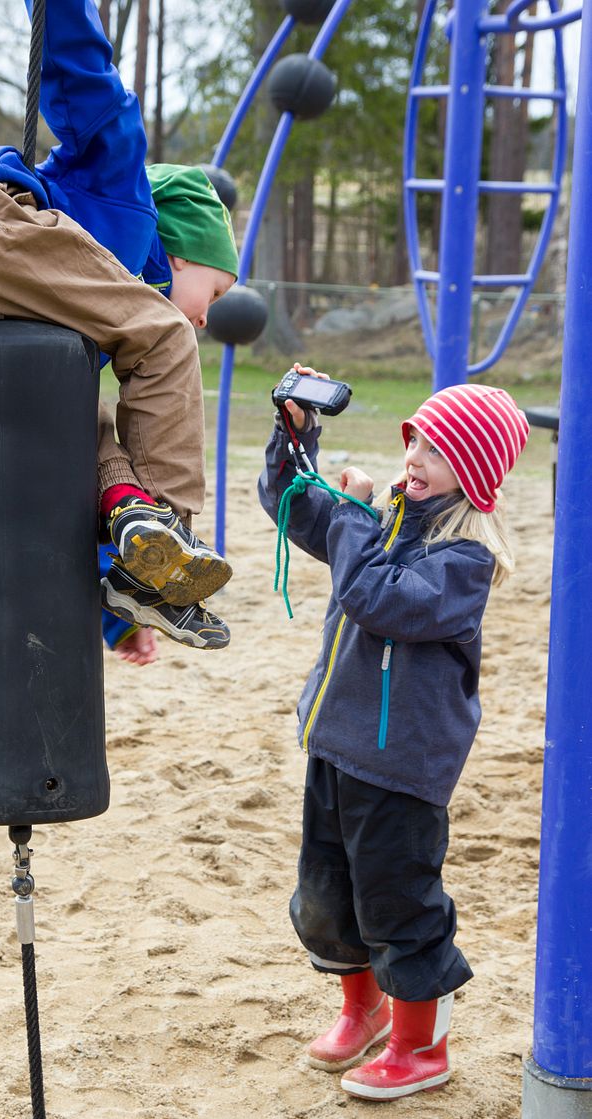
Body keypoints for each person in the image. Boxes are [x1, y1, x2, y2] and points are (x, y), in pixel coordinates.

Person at [0, 0, 236, 651]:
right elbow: (85, 80)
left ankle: (138, 578)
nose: (208, 314)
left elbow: (67, 455)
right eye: (216, 289)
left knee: (72, 411)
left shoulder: (72, 296)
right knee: (163, 334)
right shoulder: (122, 191)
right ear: (182, 247)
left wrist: (116, 626)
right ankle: (168, 557)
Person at [258, 372, 529, 1100]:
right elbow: (292, 506)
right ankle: (364, 1008)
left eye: (436, 449)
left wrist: (352, 518)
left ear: (471, 471)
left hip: (402, 766)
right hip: (336, 744)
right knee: (326, 898)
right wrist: (296, 437)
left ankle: (422, 1046)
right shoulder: (383, 520)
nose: (415, 455)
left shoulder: (464, 561)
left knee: (398, 904)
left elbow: (379, 599)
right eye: (415, 437)